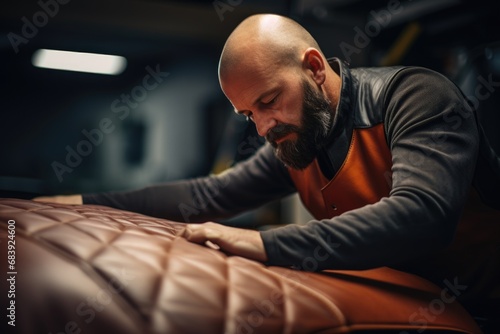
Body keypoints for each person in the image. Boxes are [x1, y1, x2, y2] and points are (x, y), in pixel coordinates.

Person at [35, 14, 500, 322]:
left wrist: (261, 242)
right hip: (410, 306)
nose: (263, 127)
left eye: (269, 101)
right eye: (248, 115)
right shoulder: (297, 138)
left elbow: (424, 216)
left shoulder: (414, 97)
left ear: (315, 68)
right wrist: (80, 204)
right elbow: (206, 197)